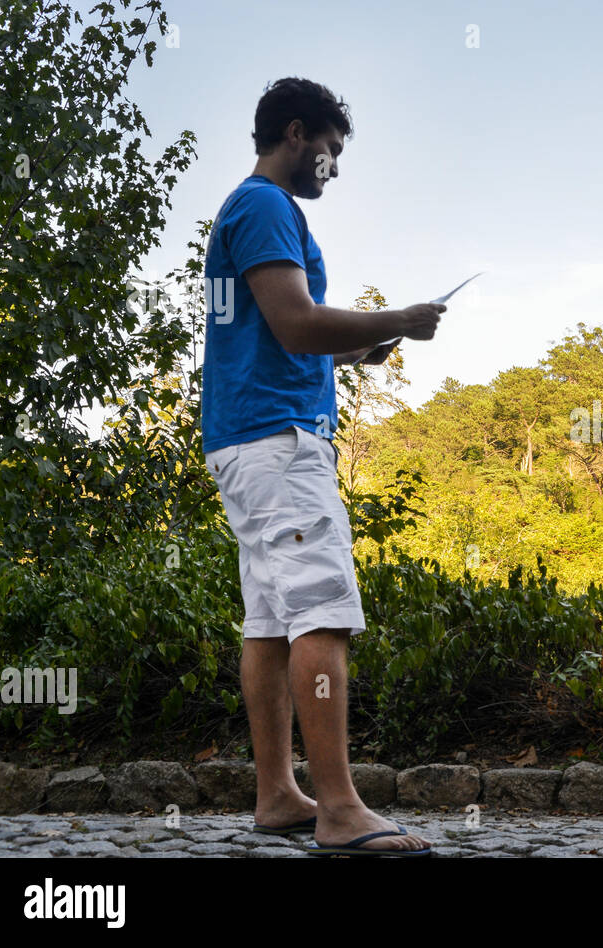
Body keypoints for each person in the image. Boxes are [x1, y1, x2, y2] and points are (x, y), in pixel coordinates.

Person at [201, 77, 444, 856]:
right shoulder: (269, 205)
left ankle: (279, 796)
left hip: (244, 435)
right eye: (331, 152)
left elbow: (290, 334)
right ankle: (339, 809)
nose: (333, 168)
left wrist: (365, 345)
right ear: (297, 133)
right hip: (279, 440)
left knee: (271, 621)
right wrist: (397, 317)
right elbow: (296, 322)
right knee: (321, 609)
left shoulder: (244, 208)